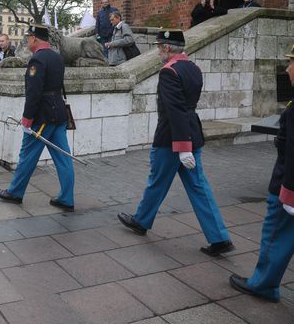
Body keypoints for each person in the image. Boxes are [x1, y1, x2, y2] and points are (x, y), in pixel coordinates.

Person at [117, 29, 235, 255]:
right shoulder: (194, 68)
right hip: (191, 132)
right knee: (199, 188)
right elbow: (186, 108)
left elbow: (175, 110)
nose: (158, 50)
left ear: (168, 48)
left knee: (157, 181)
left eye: (160, 46)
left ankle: (141, 221)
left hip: (171, 137)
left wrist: (182, 148)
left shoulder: (169, 71)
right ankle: (219, 237)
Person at [228, 44, 294, 303]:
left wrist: (288, 193)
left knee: (275, 234)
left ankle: (263, 283)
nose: (287, 68)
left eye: (291, 62)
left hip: (286, 187)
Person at [0, 24, 75, 211]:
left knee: (27, 155)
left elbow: (34, 92)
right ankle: (67, 198)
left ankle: (15, 192)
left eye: (29, 37)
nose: (27, 40)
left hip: (42, 116)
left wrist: (27, 119)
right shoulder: (57, 57)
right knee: (63, 158)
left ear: (35, 39)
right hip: (58, 112)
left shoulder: (37, 60)